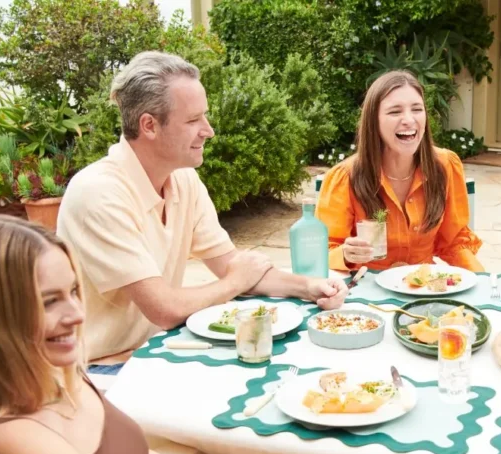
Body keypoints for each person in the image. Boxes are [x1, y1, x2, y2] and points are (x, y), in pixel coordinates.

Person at [0, 215, 425, 454]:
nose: (76, 314)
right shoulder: (10, 439)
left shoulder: (55, 377)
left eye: (72, 291)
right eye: (48, 302)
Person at [58, 51, 348, 362]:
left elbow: (232, 265)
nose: (208, 130)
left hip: (154, 352)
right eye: (193, 120)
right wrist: (234, 282)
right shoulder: (99, 193)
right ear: (149, 125)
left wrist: (310, 287)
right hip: (97, 368)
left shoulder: (183, 179)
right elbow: (165, 308)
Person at [316, 70, 484, 272]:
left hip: (423, 284)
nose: (409, 120)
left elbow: (454, 242)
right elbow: (322, 251)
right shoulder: (345, 177)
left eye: (417, 109)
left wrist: (482, 280)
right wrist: (345, 254)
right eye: (395, 112)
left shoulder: (445, 165)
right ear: (373, 120)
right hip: (364, 284)